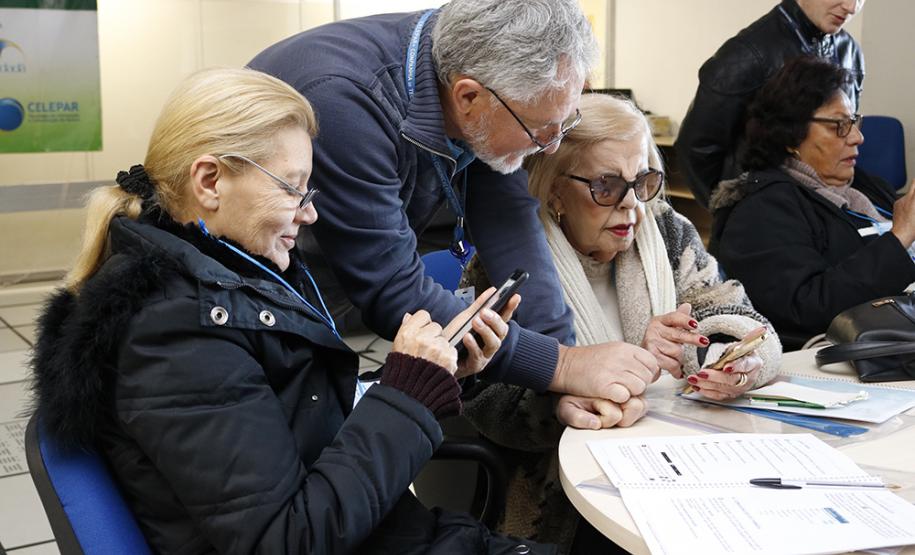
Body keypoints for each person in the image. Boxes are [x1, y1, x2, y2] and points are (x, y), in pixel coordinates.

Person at [29, 67, 555, 554]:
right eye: (292, 188)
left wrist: (433, 377)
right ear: (210, 181)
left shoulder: (229, 279)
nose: (310, 212)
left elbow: (299, 408)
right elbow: (286, 540)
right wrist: (405, 394)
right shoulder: (175, 330)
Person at [248, 0, 660, 411]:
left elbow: (509, 219)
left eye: (564, 123)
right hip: (249, 307)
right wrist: (562, 365)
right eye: (540, 130)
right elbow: (393, 293)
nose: (550, 147)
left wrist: (564, 372)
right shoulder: (346, 103)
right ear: (468, 97)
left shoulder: (483, 77)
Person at [461, 93, 782, 554]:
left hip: (683, 463)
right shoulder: (509, 260)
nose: (633, 206)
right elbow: (481, 395)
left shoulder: (664, 230)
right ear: (553, 189)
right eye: (606, 187)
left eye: (644, 180)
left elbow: (735, 314)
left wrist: (725, 357)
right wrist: (562, 406)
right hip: (562, 498)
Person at [711, 57, 915, 347]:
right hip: (830, 362)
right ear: (790, 134)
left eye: (854, 122)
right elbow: (808, 306)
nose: (858, 137)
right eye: (839, 126)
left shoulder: (865, 187)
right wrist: (899, 238)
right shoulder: (762, 209)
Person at [676, 0, 866, 208]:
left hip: (824, 210)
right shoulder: (747, 53)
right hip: (763, 216)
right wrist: (732, 213)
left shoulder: (851, 52)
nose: (851, 7)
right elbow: (695, 149)